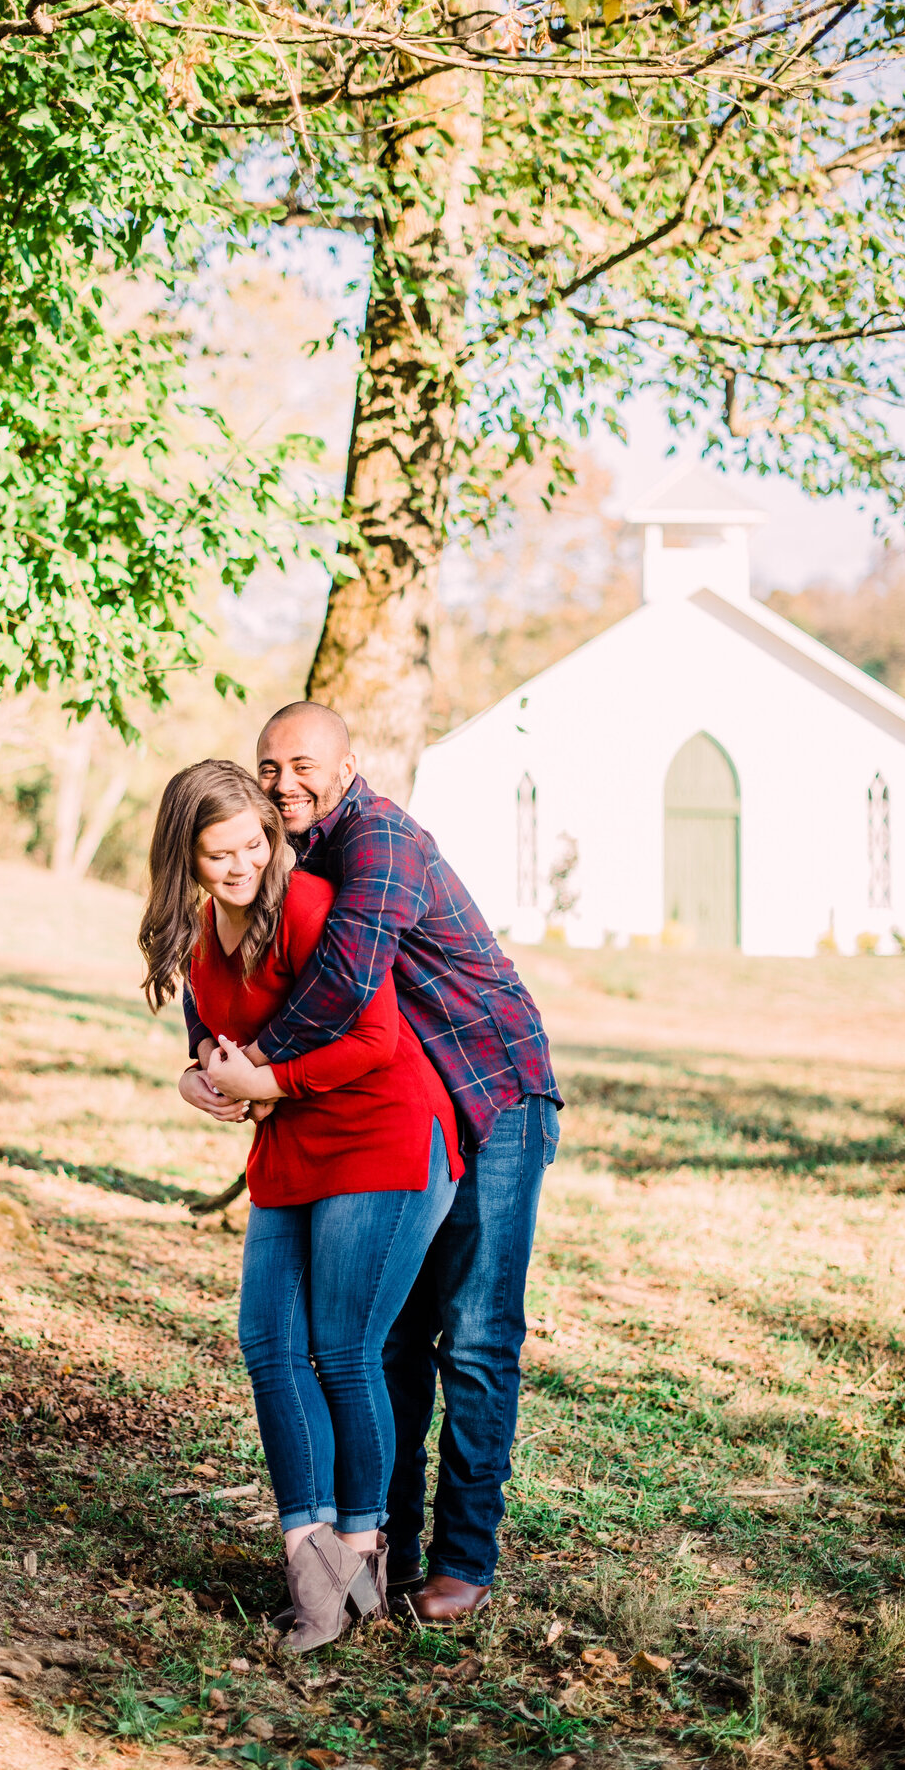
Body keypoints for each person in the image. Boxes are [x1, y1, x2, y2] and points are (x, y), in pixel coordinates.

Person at [182, 703, 561, 1623]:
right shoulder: (287, 852)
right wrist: (208, 1056)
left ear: (350, 766)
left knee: (473, 1338)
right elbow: (243, 963)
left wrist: (259, 1072)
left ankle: (464, 1562)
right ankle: (377, 1550)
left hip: (494, 1096)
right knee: (387, 1336)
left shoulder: (380, 839)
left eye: (303, 764)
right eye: (269, 766)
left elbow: (348, 981)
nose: (283, 783)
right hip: (409, 1114)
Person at [139, 759, 465, 1653]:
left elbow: (376, 1037)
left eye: (255, 844)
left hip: (381, 1134)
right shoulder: (203, 933)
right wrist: (197, 1076)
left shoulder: (315, 907)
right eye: (220, 853)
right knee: (267, 1344)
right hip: (288, 1148)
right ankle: (305, 1552)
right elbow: (212, 1040)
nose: (243, 864)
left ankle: (359, 1551)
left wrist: (272, 1081)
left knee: (343, 1350)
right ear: (187, 858)